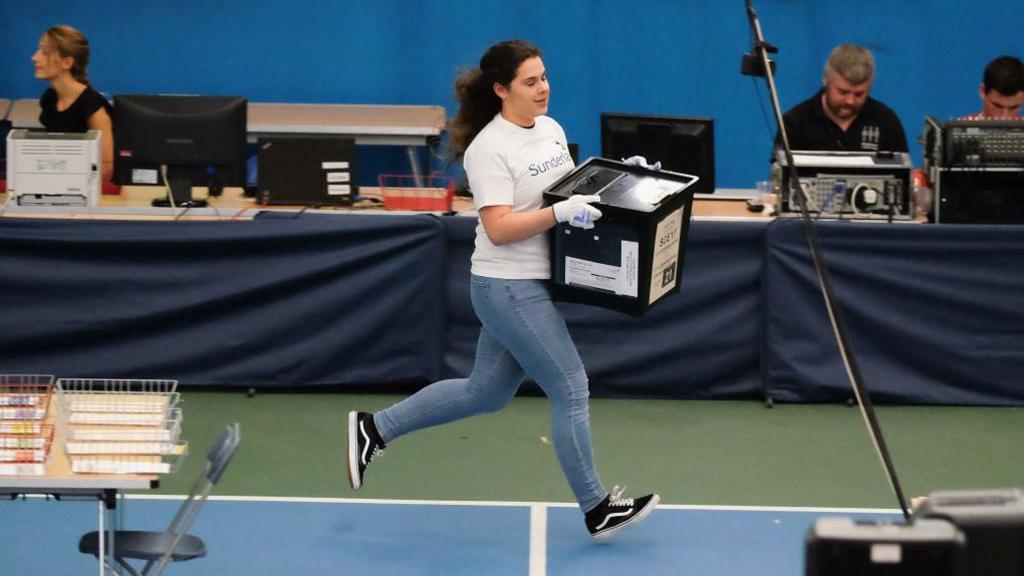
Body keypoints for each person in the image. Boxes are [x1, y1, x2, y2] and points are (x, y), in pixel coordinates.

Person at [347, 40, 660, 541]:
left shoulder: (551, 130)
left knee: (485, 393)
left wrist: (622, 177)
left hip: (530, 283)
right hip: (506, 287)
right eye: (530, 81)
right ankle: (597, 507)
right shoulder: (489, 149)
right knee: (571, 386)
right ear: (501, 90)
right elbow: (499, 227)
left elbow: (566, 190)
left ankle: (374, 429)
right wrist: (558, 214)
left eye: (544, 77)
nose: (543, 88)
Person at [778, 44, 908, 153]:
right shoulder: (795, 123)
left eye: (859, 94)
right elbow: (781, 176)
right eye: (842, 92)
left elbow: (902, 175)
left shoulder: (885, 121)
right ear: (825, 80)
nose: (850, 101)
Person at [32, 25, 114, 183]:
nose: (34, 57)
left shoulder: (92, 105)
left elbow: (106, 170)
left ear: (66, 63)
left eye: (44, 51)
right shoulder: (49, 99)